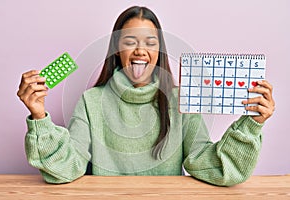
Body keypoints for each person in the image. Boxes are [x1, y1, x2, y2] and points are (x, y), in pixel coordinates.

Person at [17, 6, 275, 186]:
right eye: (130, 41)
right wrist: (39, 115)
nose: (140, 50)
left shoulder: (180, 100)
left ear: (159, 50)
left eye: (150, 42)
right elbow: (67, 168)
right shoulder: (91, 101)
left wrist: (251, 124)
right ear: (117, 49)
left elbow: (212, 167)